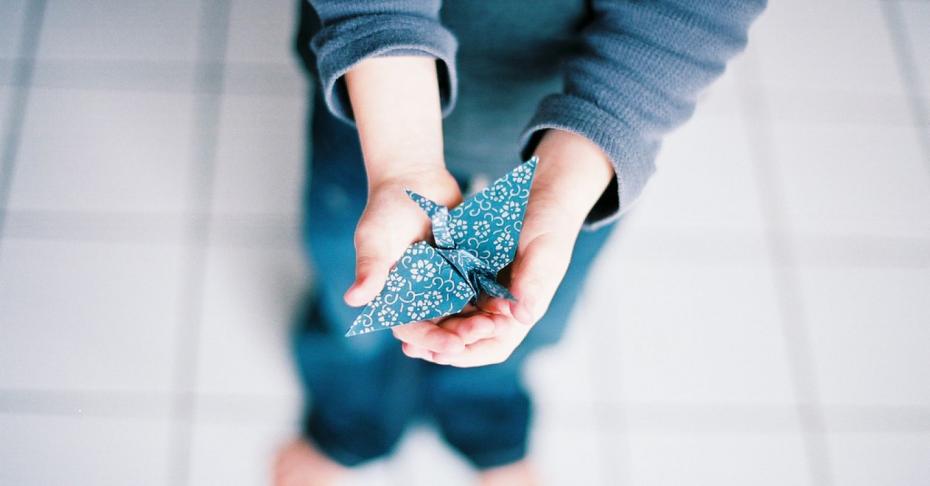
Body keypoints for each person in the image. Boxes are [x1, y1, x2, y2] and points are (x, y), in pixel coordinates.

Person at [275, 1, 766, 484]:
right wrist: (402, 166)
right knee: (351, 287)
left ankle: (487, 423)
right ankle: (349, 421)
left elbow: (690, 15)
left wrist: (563, 189)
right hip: (378, 109)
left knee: (528, 314)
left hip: (582, 143)